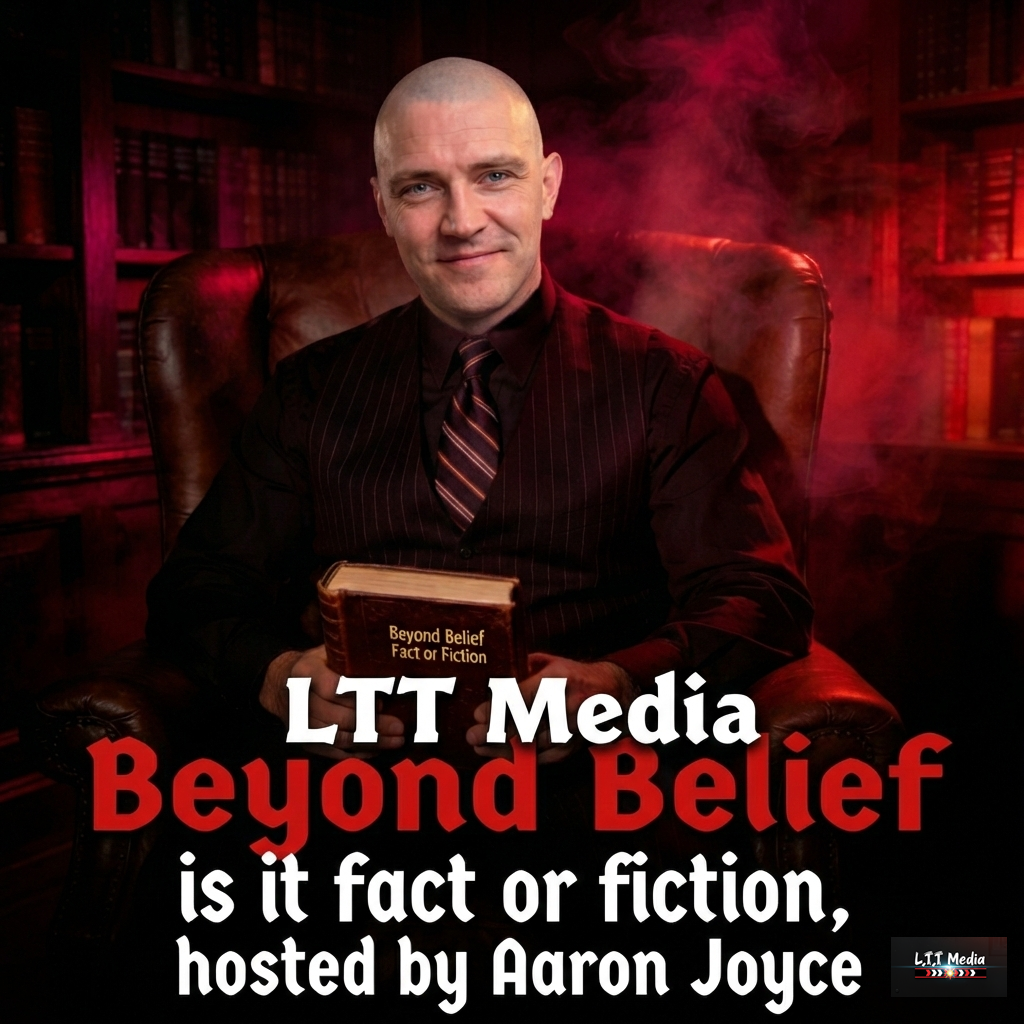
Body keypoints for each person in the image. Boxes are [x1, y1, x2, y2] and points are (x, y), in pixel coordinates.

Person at [146, 57, 813, 765]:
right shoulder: (308, 388)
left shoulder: (667, 386)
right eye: (421, 187)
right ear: (382, 206)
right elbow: (196, 589)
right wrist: (275, 676)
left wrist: (622, 686)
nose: (462, 223)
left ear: (549, 187)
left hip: (592, 800)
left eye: (495, 175)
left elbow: (758, 596)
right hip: (351, 803)